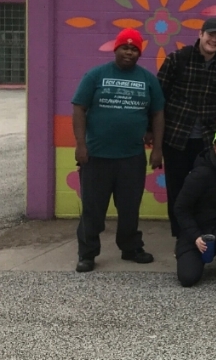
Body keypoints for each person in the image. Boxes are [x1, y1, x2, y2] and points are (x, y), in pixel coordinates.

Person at [73, 28, 164, 272]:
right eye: (125, 47)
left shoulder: (148, 79)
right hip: (96, 156)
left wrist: (157, 149)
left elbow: (157, 113)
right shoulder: (95, 75)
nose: (129, 52)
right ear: (116, 48)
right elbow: (79, 108)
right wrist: (81, 145)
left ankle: (131, 247)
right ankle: (88, 253)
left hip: (132, 157)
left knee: (130, 207)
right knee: (93, 208)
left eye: (135, 49)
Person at [157, 17, 216, 238]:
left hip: (207, 140)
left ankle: (202, 230)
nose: (214, 40)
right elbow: (158, 97)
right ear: (200, 34)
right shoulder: (177, 59)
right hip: (176, 137)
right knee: (177, 188)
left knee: (205, 187)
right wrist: (151, 131)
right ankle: (181, 236)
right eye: (210, 35)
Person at [173, 129, 216, 286]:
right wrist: (195, 236)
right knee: (188, 278)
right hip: (196, 228)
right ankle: (185, 251)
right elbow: (180, 208)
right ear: (214, 148)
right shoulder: (201, 173)